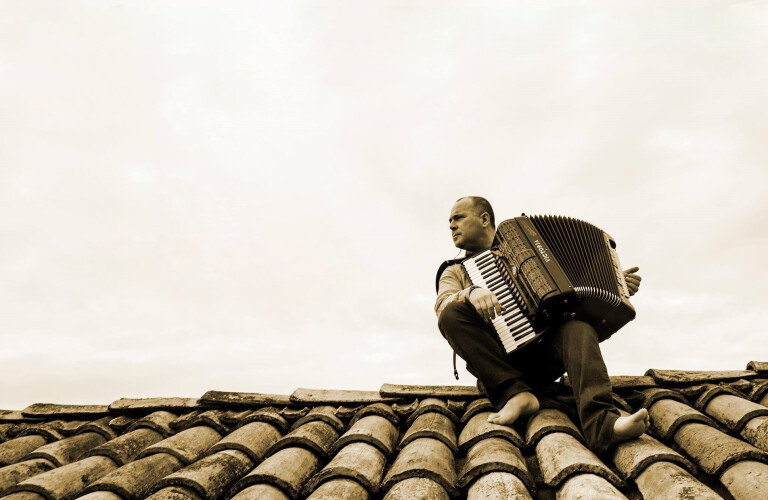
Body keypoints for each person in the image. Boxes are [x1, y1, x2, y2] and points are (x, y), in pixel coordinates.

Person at [435, 196, 648, 452]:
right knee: (451, 314)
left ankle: (603, 424)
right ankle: (515, 395)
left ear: (484, 219)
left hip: (544, 358)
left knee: (576, 327)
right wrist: (470, 293)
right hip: (500, 367)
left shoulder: (526, 248)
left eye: (458, 218)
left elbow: (572, 290)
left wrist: (616, 285)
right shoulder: (455, 271)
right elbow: (443, 304)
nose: (451, 226)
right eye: (449, 221)